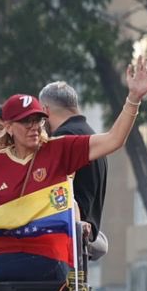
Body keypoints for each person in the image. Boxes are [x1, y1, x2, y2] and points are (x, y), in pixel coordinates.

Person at [0, 58, 147, 291]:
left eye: (38, 120)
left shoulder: (59, 148)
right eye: (25, 122)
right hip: (6, 250)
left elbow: (113, 140)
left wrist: (134, 98)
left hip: (47, 253)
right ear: (8, 127)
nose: (34, 127)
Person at [40, 81, 107, 239]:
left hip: (67, 236)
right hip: (85, 238)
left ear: (45, 111)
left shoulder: (62, 141)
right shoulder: (91, 136)